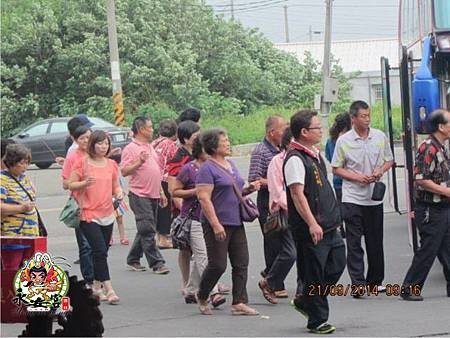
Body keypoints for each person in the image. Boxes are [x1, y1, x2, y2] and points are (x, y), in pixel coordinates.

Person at [284, 110, 345, 334]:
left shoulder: (313, 154)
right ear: (304, 132)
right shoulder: (294, 159)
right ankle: (317, 320)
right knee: (314, 273)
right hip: (312, 228)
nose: (321, 130)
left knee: (337, 264)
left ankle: (306, 300)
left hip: (329, 224)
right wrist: (311, 223)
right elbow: (297, 195)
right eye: (316, 127)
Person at [332, 100, 394, 294]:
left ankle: (375, 281)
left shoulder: (379, 136)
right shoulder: (344, 141)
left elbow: (389, 160)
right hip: (352, 198)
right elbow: (336, 168)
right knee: (354, 241)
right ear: (353, 118)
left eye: (368, 116)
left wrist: (379, 171)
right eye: (363, 116)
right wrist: (357, 177)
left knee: (375, 241)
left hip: (373, 198)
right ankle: (358, 283)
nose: (367, 119)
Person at [196, 128, 260, 316]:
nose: (228, 143)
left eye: (227, 139)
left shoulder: (230, 164)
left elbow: (234, 191)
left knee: (241, 262)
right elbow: (204, 198)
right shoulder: (207, 169)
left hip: (236, 219)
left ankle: (239, 302)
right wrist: (215, 224)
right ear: (213, 146)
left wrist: (248, 190)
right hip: (217, 222)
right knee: (218, 264)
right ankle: (202, 294)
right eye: (224, 141)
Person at [400, 109, 450, 301]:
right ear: (441, 127)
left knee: (447, 248)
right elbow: (420, 179)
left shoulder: (441, 147)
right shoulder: (428, 147)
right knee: (428, 249)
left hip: (443, 207)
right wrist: (445, 191)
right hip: (431, 209)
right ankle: (409, 288)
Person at [68, 130, 121, 304]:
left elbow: (116, 186)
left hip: (107, 213)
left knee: (102, 251)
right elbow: (70, 183)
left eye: (106, 143)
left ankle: (96, 288)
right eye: (100, 143)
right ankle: (110, 288)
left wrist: (119, 194)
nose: (103, 147)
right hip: (88, 214)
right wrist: (84, 183)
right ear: (92, 145)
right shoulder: (82, 163)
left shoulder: (111, 164)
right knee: (99, 251)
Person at [172, 137, 225, 307]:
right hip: (194, 218)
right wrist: (196, 191)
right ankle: (214, 291)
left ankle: (191, 290)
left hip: (212, 218)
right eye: (205, 149)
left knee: (202, 255)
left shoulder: (217, 167)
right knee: (204, 256)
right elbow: (175, 191)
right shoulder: (189, 169)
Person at [121, 116, 170, 275]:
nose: (152, 129)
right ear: (141, 129)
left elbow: (155, 170)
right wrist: (139, 162)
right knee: (148, 230)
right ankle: (157, 263)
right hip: (139, 194)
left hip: (153, 193)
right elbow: (124, 171)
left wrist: (161, 192)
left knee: (146, 227)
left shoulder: (149, 146)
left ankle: (133, 258)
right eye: (150, 127)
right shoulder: (131, 148)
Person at [248, 115, 287, 291]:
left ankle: (271, 274)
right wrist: (274, 180)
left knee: (286, 243)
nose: (286, 132)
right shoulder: (260, 152)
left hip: (283, 199)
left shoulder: (283, 149)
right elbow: (254, 180)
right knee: (272, 242)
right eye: (283, 128)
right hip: (267, 200)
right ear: (272, 132)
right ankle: (275, 283)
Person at [258, 126, 296, 304]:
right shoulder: (277, 161)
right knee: (290, 253)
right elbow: (277, 190)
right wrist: (295, 206)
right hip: (286, 213)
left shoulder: (311, 157)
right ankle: (270, 280)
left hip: (306, 213)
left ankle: (304, 290)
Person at [167, 120, 201, 293]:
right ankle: (186, 281)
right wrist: (184, 211)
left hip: (201, 209)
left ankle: (203, 281)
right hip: (185, 210)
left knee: (200, 248)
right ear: (186, 139)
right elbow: (174, 190)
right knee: (185, 248)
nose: (199, 139)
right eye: (196, 137)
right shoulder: (178, 159)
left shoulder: (200, 155)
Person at [61, 125, 94, 285]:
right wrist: (82, 183)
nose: (86, 141)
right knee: (86, 245)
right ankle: (89, 280)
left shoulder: (96, 155)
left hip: (99, 205)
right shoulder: (72, 157)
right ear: (75, 140)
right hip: (80, 205)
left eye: (89, 137)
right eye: (82, 138)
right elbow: (66, 184)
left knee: (100, 246)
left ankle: (100, 278)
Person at [1, 144, 39, 237]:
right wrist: (21, 208)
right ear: (12, 162)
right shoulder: (2, 179)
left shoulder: (23, 178)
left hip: (31, 233)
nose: (25, 166)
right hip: (13, 235)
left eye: (27, 162)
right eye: (22, 163)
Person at [152, 118, 178, 249]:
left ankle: (158, 237)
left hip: (153, 179)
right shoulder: (170, 145)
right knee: (165, 209)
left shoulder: (155, 142)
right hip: (165, 179)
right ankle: (163, 239)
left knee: (159, 209)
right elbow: (174, 163)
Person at [325, 113, 351, 237]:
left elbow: (329, 157)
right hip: (349, 178)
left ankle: (341, 228)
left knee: (339, 204)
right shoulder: (348, 139)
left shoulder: (331, 140)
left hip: (337, 179)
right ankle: (350, 226)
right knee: (350, 205)